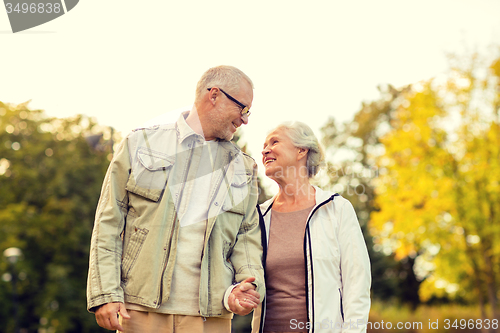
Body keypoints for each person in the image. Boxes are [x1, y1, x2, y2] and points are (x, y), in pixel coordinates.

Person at [87, 65, 265, 333]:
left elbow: (247, 238)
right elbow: (109, 222)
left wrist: (248, 285)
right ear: (214, 95)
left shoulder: (244, 168)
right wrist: (105, 293)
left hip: (211, 318)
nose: (245, 119)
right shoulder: (139, 143)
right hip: (139, 311)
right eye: (243, 109)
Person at [252, 122, 371, 333]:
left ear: (301, 150)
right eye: (264, 145)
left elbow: (357, 286)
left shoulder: (336, 209)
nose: (265, 150)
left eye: (275, 141)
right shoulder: (259, 216)